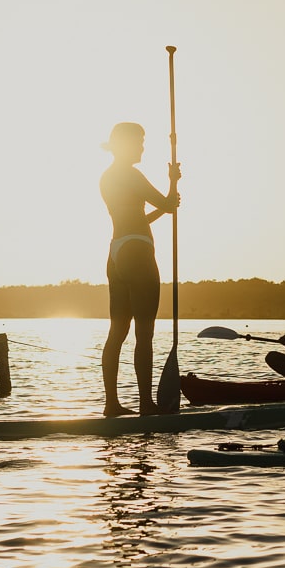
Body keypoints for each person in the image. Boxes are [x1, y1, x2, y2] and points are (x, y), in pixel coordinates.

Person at [99, 121, 179, 416]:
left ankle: (112, 404)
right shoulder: (132, 175)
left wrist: (165, 205)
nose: (143, 147)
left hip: (117, 251)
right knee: (144, 332)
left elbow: (138, 215)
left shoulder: (107, 177)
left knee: (117, 331)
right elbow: (168, 203)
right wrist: (173, 180)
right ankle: (146, 404)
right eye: (140, 141)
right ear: (125, 143)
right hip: (138, 253)